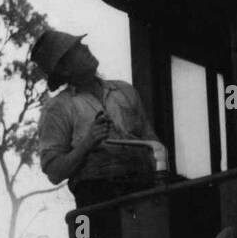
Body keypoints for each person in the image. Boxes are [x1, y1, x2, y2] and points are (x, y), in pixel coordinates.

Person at [31, 28, 163, 207]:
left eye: (80, 44)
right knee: (89, 231)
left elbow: (150, 139)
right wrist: (88, 142)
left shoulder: (125, 91)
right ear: (64, 69)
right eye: (76, 49)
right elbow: (54, 172)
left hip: (143, 188)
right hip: (97, 199)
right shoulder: (58, 108)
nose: (85, 47)